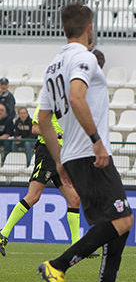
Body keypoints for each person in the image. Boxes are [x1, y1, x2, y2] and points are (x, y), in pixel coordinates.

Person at [36, 3, 133, 282]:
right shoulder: (85, 58)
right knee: (123, 220)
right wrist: (97, 142)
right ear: (89, 28)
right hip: (89, 153)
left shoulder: (53, 66)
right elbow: (77, 96)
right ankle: (58, 265)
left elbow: (43, 120)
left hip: (73, 155)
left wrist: (58, 159)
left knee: (117, 223)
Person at [0, 104, 83, 258]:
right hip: (47, 153)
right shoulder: (47, 102)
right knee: (33, 196)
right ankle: (3, 234)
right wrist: (59, 135)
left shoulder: (67, 105)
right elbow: (36, 129)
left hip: (61, 156)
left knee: (75, 199)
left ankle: (76, 246)